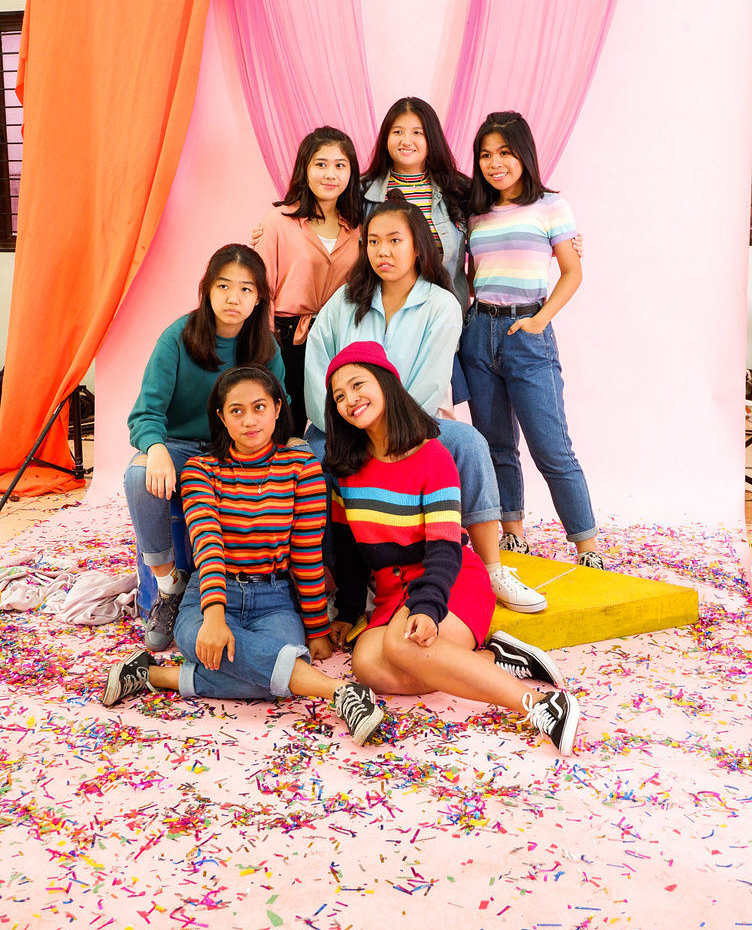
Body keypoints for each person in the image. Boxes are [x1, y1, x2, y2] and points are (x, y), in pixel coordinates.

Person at [323, 343, 581, 756]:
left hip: (448, 581)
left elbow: (444, 547)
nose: (349, 400)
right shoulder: (346, 469)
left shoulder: (432, 456)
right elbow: (350, 552)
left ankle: (539, 704)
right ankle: (495, 659)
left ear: (386, 384)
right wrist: (349, 611)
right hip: (392, 595)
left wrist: (427, 607)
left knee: (402, 646)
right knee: (367, 665)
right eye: (339, 396)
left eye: (358, 385)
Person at [106, 366, 384, 746]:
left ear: (277, 408)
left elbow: (306, 552)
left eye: (259, 407)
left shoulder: (302, 467)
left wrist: (317, 627)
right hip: (209, 596)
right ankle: (340, 692)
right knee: (277, 668)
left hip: (275, 599)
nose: (249, 420)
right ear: (221, 417)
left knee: (269, 674)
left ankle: (154, 675)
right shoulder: (201, 470)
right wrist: (214, 617)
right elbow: (207, 544)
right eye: (236, 411)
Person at [304, 195, 547, 614]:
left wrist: (383, 433)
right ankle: (333, 579)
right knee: (308, 460)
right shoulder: (343, 302)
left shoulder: (441, 305)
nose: (383, 251)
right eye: (374, 241)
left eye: (394, 240)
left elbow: (429, 384)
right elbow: (316, 371)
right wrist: (348, 424)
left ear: (418, 245)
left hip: (410, 426)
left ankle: (491, 568)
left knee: (468, 442)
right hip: (340, 425)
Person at [125, 244, 289, 654]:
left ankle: (281, 590)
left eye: (246, 289)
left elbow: (279, 409)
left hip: (237, 449)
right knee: (138, 475)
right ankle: (168, 586)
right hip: (181, 446)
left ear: (259, 297)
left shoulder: (265, 345)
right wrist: (156, 448)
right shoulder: (177, 338)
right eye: (223, 286)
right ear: (207, 289)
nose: (234, 298)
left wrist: (289, 443)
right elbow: (146, 412)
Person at [458, 111, 602, 569]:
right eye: (485, 155)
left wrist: (539, 321)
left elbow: (572, 271)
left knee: (551, 448)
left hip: (527, 334)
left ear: (524, 154)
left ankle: (587, 547)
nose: (494, 163)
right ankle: (512, 535)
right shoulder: (476, 213)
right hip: (478, 333)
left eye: (504, 152)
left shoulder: (551, 206)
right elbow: (474, 275)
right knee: (495, 445)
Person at [254, 127, 363, 436]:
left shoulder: (357, 227)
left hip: (336, 339)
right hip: (286, 339)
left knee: (335, 427)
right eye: (321, 164)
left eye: (340, 165)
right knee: (284, 428)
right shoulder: (278, 221)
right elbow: (262, 289)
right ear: (305, 168)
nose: (330, 174)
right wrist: (266, 346)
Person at [360, 97, 470, 310]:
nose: (406, 141)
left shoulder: (458, 190)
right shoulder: (362, 192)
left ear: (432, 138)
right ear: (385, 138)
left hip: (444, 314)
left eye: (417, 133)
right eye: (397, 132)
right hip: (382, 313)